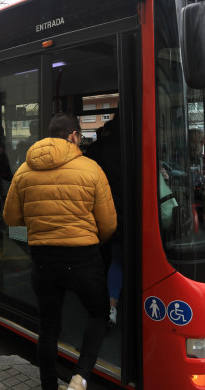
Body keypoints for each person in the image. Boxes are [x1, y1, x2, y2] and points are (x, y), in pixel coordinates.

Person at [3, 112, 117, 390]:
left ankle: (48, 387)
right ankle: (80, 376)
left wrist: (39, 222)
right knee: (99, 312)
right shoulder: (91, 169)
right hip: (84, 257)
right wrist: (93, 240)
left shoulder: (24, 170)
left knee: (48, 328)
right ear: (74, 136)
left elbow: (10, 218)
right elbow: (109, 224)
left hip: (43, 259)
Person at [84, 117, 123, 326]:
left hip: (103, 213)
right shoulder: (132, 145)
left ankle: (110, 306)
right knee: (120, 260)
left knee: (111, 259)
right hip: (130, 215)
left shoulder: (96, 151)